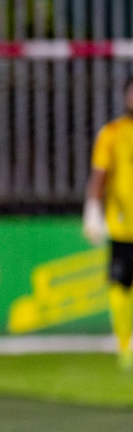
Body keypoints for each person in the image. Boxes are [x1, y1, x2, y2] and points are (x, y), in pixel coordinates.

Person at [84, 76, 133, 371]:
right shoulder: (112, 133)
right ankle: (123, 344)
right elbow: (99, 175)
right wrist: (92, 209)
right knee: (120, 283)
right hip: (122, 226)